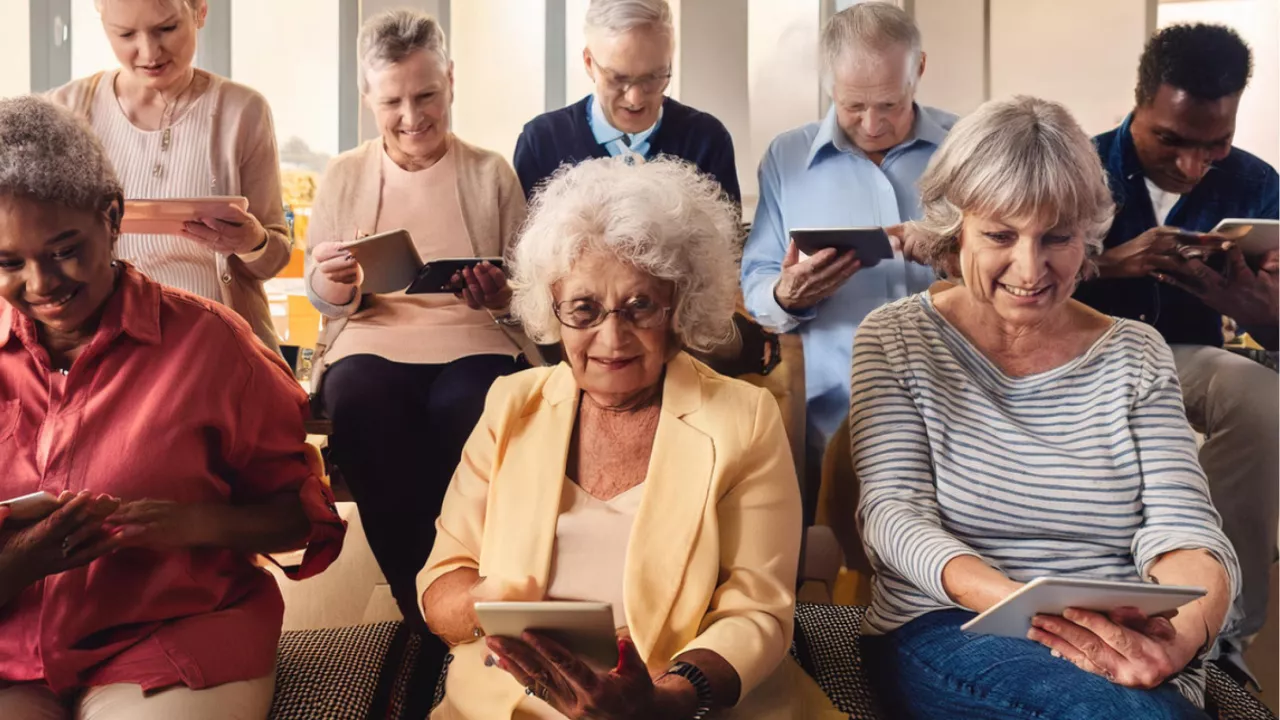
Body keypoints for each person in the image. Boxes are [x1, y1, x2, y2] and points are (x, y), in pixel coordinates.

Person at [851, 95, 1240, 720]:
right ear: (957, 230)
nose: (1030, 269)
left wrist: (1183, 639)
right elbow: (893, 518)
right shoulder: (895, 339)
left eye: (1056, 237)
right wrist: (1030, 606)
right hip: (956, 622)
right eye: (1000, 236)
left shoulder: (1136, 354)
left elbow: (1188, 532)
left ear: (1085, 236)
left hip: (1124, 634)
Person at [417, 157, 841, 720]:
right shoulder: (512, 404)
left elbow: (757, 610)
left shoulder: (744, 418)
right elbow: (444, 578)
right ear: (554, 309)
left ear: (679, 307)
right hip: (508, 704)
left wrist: (668, 697)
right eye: (584, 309)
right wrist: (490, 607)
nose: (611, 338)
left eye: (640, 306)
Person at [0, 96, 344, 719]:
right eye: (7, 263)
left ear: (112, 218)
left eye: (65, 249)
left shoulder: (214, 347)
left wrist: (191, 524)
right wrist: (20, 563)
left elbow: (299, 516)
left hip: (171, 639)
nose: (41, 284)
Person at [304, 7, 534, 664]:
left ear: (451, 82)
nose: (412, 116)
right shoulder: (344, 173)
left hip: (474, 338)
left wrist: (501, 292)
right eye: (393, 101)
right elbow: (324, 300)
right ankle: (417, 601)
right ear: (369, 99)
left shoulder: (490, 172)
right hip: (371, 339)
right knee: (362, 403)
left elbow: (527, 289)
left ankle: (477, 589)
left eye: (426, 95)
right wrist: (336, 281)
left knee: (474, 404)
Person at [1072, 24, 1277, 674]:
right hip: (1079, 352)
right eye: (1171, 141)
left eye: (1214, 146)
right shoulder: (1073, 162)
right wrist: (1112, 264)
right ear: (1138, 103)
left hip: (1185, 357)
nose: (1192, 166)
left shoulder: (1258, 184)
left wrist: (1250, 309)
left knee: (1261, 396)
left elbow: (1272, 330)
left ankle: (1224, 635)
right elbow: (1010, 279)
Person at [740, 1, 953, 518]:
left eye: (889, 104)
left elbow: (1016, 261)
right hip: (830, 416)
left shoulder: (967, 147)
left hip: (956, 411)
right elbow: (757, 283)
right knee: (834, 574)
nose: (873, 124)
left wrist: (953, 249)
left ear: (918, 69)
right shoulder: (787, 158)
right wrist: (786, 294)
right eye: (853, 106)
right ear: (829, 84)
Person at [49, 0, 292, 353]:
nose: (149, 52)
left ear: (200, 12)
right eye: (126, 34)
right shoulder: (66, 109)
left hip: (212, 340)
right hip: (102, 342)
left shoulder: (244, 111)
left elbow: (274, 258)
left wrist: (251, 242)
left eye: (166, 29)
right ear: (104, 24)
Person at [512, 0, 741, 205]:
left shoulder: (706, 140)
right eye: (618, 79)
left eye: (653, 77)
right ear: (589, 63)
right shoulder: (541, 142)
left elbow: (726, 248)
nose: (635, 99)